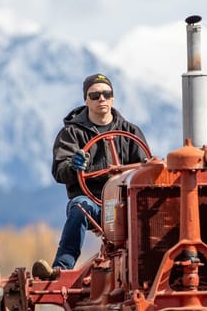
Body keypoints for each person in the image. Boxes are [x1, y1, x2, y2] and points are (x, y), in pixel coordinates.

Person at [33, 73, 150, 279]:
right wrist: (74, 166)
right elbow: (60, 170)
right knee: (79, 206)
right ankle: (62, 269)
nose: (101, 99)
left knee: (155, 212)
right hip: (94, 204)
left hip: (126, 204)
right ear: (86, 100)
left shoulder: (130, 131)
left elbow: (145, 169)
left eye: (106, 94)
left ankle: (154, 267)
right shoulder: (72, 134)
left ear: (112, 98)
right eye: (95, 95)